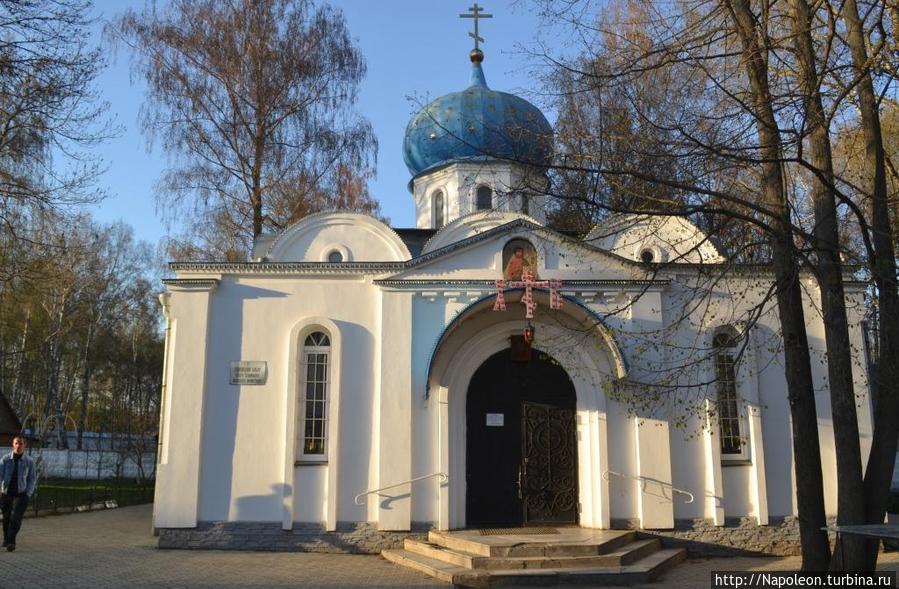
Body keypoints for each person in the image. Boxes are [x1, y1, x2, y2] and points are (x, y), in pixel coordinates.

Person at [0, 435, 36, 552]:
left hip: (21, 494)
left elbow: (32, 478)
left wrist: (28, 493)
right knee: (6, 518)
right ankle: (6, 539)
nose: (18, 446)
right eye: (16, 443)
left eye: (21, 443)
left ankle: (11, 541)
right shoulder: (5, 460)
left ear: (24, 445)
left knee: (16, 518)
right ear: (13, 444)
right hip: (6, 493)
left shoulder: (29, 461)